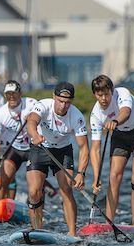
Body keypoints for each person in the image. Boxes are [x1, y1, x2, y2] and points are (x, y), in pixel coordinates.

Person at [22, 82, 88, 235]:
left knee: (66, 189)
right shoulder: (43, 105)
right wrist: (35, 135)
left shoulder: (76, 116)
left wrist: (81, 173)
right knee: (34, 192)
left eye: (67, 102)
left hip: (63, 151)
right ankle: (37, 230)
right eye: (60, 101)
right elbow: (31, 121)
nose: (63, 106)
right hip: (40, 148)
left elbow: (84, 147)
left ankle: (72, 234)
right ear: (54, 97)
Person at [88, 74, 134, 226]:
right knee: (114, 177)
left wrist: (115, 121)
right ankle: (109, 223)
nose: (103, 99)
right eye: (99, 95)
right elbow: (95, 149)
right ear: (95, 94)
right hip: (120, 136)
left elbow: (125, 112)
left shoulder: (122, 93)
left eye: (106, 94)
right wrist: (96, 177)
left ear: (112, 91)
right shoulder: (95, 114)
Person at [0, 81, 39, 202]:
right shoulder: (0, 114)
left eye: (14, 93)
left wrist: (34, 117)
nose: (11, 96)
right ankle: (0, 208)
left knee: (35, 186)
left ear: (20, 93)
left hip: (33, 148)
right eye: (8, 94)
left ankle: (34, 207)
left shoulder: (32, 104)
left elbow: (47, 116)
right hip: (15, 149)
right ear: (5, 95)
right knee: (4, 180)